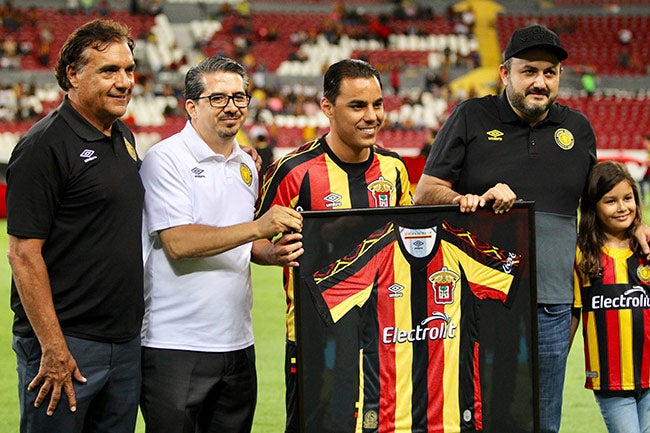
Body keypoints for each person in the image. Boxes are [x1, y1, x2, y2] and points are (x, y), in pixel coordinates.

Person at [413, 24, 597, 433]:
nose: (540, 82)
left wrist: (636, 227)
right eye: (529, 71)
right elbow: (425, 192)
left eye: (549, 73)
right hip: (480, 302)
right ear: (504, 74)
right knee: (481, 415)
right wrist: (467, 199)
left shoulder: (579, 129)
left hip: (552, 305)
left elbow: (599, 207)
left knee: (543, 419)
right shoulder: (471, 116)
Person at [138, 56, 304, 433]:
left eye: (240, 97)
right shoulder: (165, 160)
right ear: (191, 107)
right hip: (175, 345)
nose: (232, 106)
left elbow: (240, 245)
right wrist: (257, 228)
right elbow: (178, 242)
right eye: (218, 98)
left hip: (237, 343)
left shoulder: (246, 165)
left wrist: (270, 252)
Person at [255, 58, 413, 433]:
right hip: (315, 336)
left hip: (385, 337)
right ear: (327, 107)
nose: (372, 116)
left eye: (377, 104)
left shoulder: (394, 170)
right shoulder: (293, 171)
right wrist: (272, 253)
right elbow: (253, 237)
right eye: (357, 106)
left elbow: (409, 239)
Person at [6, 19, 144, 433]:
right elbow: (22, 253)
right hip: (66, 344)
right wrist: (52, 346)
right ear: (72, 74)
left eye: (129, 69)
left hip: (124, 342)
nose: (124, 82)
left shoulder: (123, 135)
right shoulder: (42, 146)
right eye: (109, 71)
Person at [571, 161, 650, 433]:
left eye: (628, 198)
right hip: (610, 379)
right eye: (611, 201)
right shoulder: (583, 256)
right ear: (594, 207)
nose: (622, 207)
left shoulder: (646, 248)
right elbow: (573, 315)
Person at [639, 133, 650, 205]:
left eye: (645, 141)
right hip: (648, 172)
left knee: (642, 183)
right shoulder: (648, 151)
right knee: (641, 183)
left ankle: (643, 201)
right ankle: (643, 201)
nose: (644, 143)